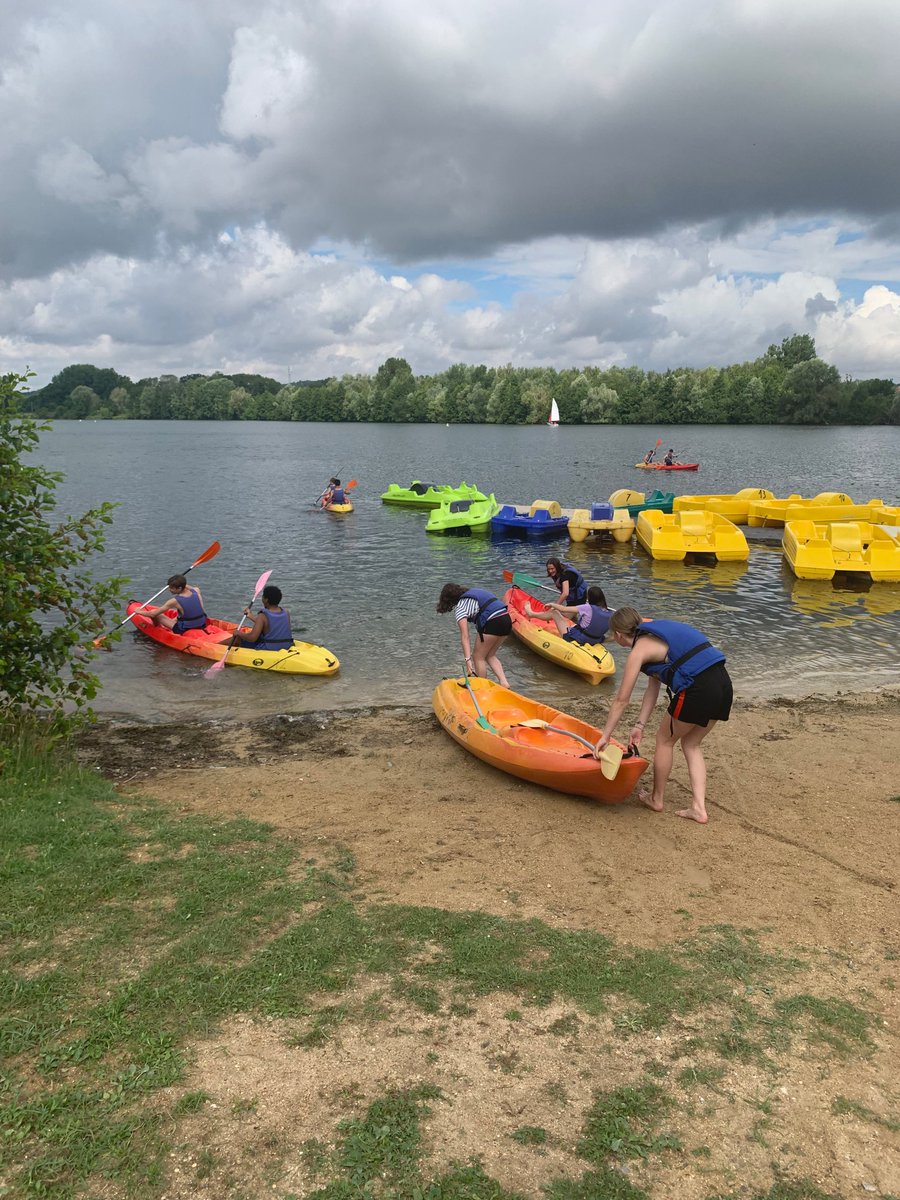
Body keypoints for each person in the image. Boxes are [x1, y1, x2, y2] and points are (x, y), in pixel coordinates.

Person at [593, 607, 732, 824]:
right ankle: (699, 808)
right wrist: (639, 726)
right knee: (691, 744)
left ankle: (656, 799)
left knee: (664, 740)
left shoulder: (638, 651)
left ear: (618, 635)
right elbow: (653, 687)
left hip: (698, 688)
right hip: (723, 685)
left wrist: (605, 736)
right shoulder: (657, 634)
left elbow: (621, 700)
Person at [437, 583, 511, 687]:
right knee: (490, 655)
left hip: (493, 621)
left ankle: (482, 687)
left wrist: (468, 661)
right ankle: (504, 683)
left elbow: (465, 637)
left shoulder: (460, 608)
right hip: (506, 619)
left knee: (478, 656)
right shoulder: (475, 592)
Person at [529, 585, 613, 645]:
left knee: (554, 612)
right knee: (575, 624)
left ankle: (531, 614)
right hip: (595, 641)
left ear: (589, 598)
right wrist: (602, 640)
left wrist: (552, 604)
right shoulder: (610, 614)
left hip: (578, 639)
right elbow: (614, 636)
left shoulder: (588, 607)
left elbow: (563, 609)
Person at [230, 584, 295, 651]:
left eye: (263, 596)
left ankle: (221, 646)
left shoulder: (262, 616)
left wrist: (239, 633)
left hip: (268, 649)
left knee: (237, 638)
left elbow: (252, 638)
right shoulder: (286, 613)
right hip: (287, 646)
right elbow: (271, 624)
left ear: (266, 600)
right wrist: (250, 616)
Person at [140, 574, 208, 633]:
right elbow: (187, 586)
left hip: (185, 629)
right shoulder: (196, 591)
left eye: (172, 588)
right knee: (180, 614)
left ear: (179, 588)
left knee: (157, 615)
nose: (169, 590)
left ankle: (156, 628)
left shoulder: (175, 601)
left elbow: (152, 614)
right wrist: (179, 582)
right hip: (202, 624)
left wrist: (138, 611)